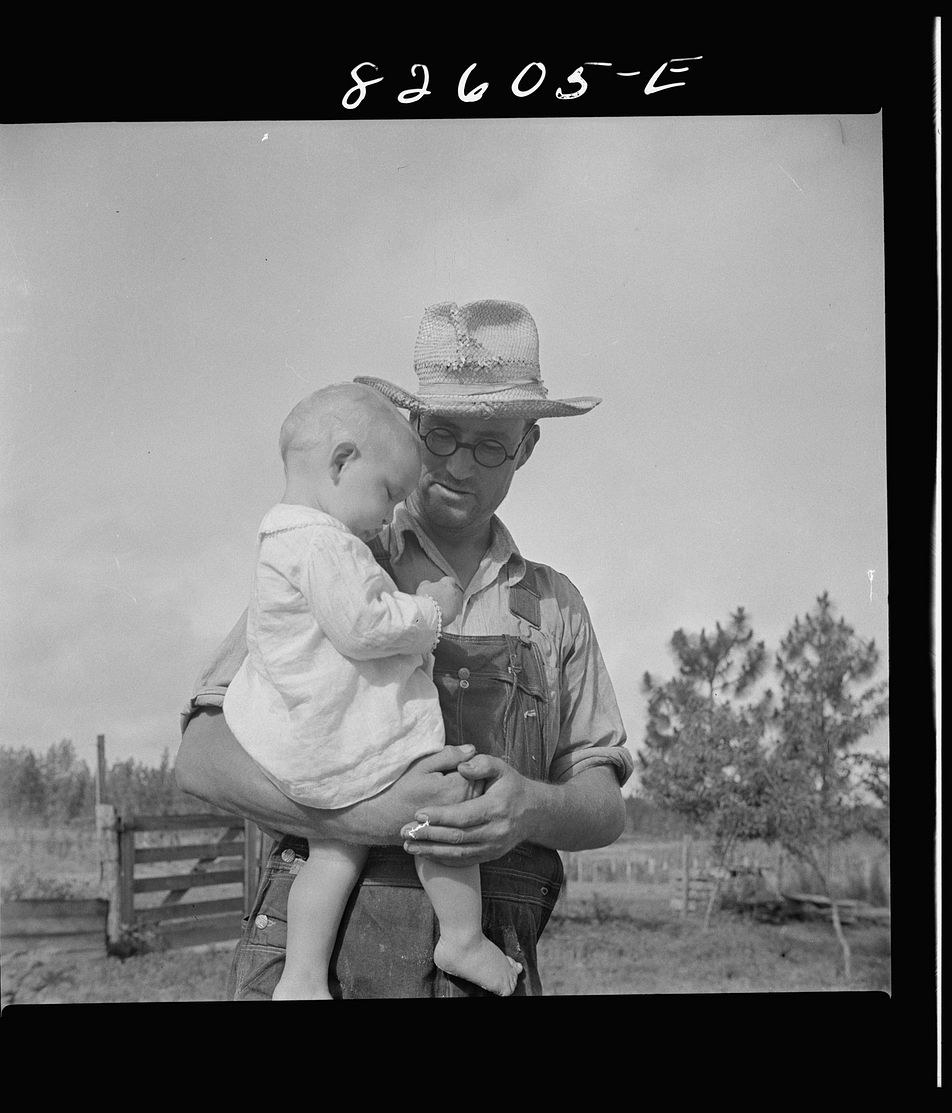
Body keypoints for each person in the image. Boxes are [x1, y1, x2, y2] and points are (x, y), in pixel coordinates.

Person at [176, 298, 633, 998]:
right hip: (319, 972)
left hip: (477, 973)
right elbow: (201, 757)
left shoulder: (553, 606)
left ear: (528, 445)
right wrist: (364, 814)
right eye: (442, 434)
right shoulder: (335, 557)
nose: (456, 465)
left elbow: (604, 807)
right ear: (413, 424)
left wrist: (526, 810)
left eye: (489, 445)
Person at [223, 382, 522, 998]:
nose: (390, 514)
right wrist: (429, 612)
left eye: (490, 445)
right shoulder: (325, 544)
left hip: (316, 750)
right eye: (387, 494)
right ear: (340, 463)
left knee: (331, 857)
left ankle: (302, 977)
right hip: (355, 748)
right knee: (451, 806)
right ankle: (462, 936)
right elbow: (363, 625)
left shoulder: (283, 543)